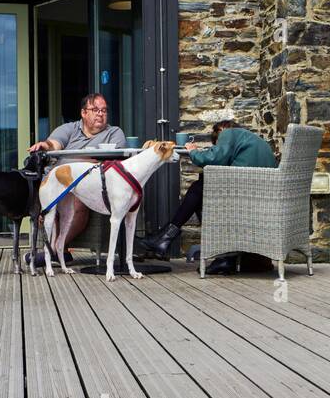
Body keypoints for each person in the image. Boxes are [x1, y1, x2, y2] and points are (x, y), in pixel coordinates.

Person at [136, 119, 275, 273]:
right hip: (262, 203)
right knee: (203, 185)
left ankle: (167, 238)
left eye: (217, 143)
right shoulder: (256, 141)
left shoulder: (228, 132)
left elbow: (213, 158)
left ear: (221, 130)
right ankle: (223, 257)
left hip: (240, 199)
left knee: (198, 190)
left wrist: (193, 151)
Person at [28, 94, 126, 252]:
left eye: (104, 110)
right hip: (57, 182)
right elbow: (55, 144)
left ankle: (54, 250)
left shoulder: (114, 133)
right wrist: (44, 145)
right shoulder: (69, 129)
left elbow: (114, 159)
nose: (100, 114)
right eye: (95, 110)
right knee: (50, 200)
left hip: (87, 185)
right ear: (84, 113)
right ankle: (59, 251)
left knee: (77, 197)